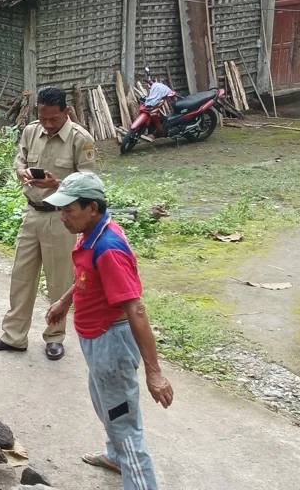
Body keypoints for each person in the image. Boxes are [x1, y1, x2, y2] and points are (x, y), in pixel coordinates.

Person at [43, 172, 173, 490]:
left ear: (92, 208)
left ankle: (138, 477)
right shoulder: (90, 232)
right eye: (61, 210)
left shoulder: (109, 248)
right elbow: (87, 276)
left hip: (111, 344)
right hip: (96, 340)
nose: (63, 217)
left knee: (124, 424)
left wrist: (154, 372)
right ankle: (115, 457)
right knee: (106, 405)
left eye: (68, 210)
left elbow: (136, 310)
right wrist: (64, 302)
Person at [0, 86, 97, 360]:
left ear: (66, 111)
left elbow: (89, 183)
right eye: (43, 117)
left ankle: (54, 337)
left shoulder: (81, 139)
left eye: (53, 119)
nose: (47, 123)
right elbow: (20, 159)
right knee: (21, 276)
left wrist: (58, 183)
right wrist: (21, 171)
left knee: (59, 281)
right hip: (31, 213)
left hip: (63, 219)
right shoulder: (31, 131)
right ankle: (14, 336)